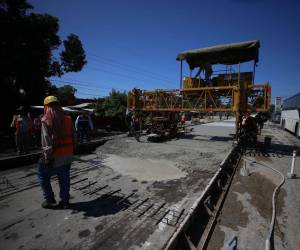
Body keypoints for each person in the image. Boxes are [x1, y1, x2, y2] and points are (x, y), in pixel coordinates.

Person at [38, 96, 76, 209]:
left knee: (42, 175)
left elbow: (47, 143)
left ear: (46, 106)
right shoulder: (68, 119)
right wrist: (70, 152)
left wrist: (47, 158)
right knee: (64, 177)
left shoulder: (46, 120)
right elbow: (75, 138)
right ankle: (65, 201)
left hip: (54, 157)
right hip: (67, 156)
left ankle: (49, 200)